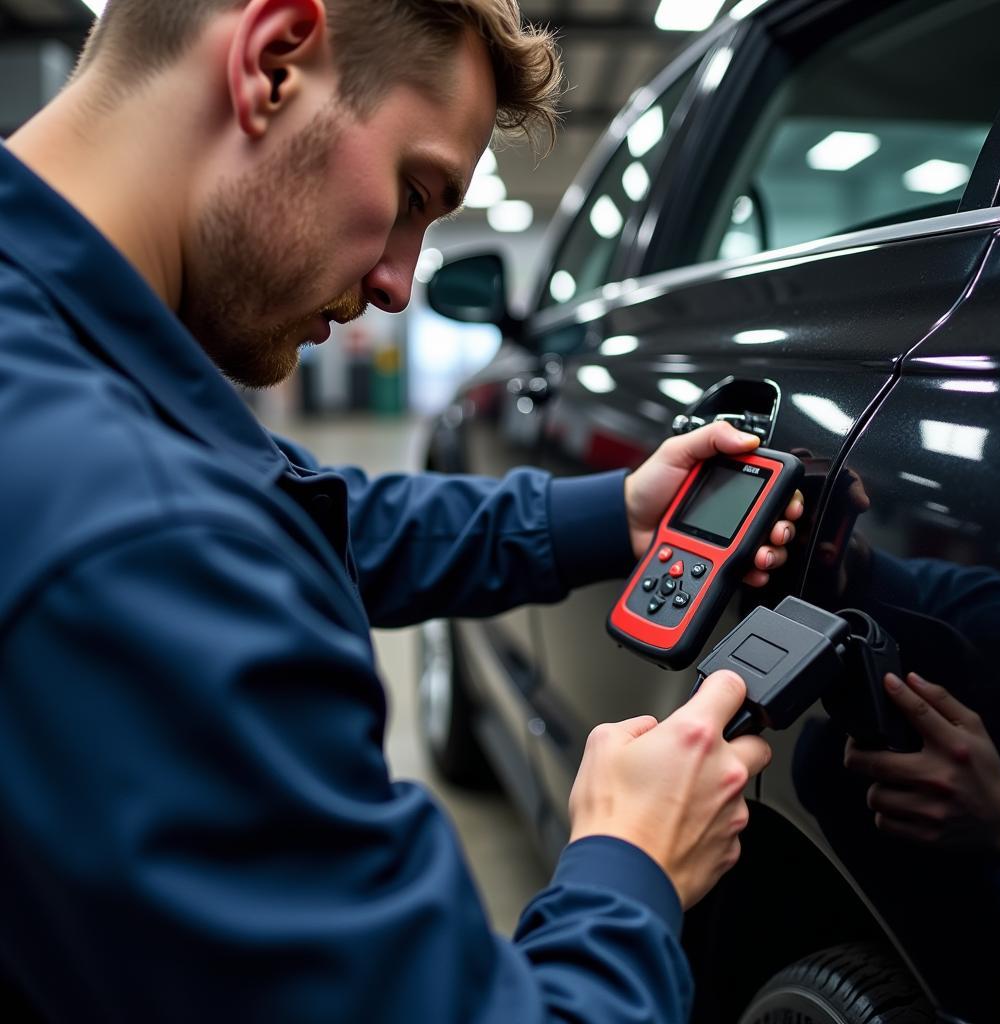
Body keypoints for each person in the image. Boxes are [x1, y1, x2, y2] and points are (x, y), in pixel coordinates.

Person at [0, 2, 803, 1021]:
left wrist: (619, 513)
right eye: (414, 192)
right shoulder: (136, 545)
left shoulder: (62, 373)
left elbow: (304, 518)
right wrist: (629, 865)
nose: (395, 284)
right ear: (274, 61)